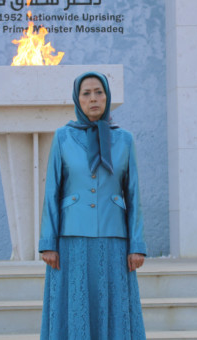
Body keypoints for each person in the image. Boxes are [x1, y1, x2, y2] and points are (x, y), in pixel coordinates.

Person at [39, 71, 147, 339]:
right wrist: (48, 243)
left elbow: (133, 194)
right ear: (77, 99)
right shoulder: (62, 137)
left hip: (114, 240)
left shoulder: (124, 139)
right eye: (86, 93)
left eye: (99, 92)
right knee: (75, 308)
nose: (94, 98)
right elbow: (52, 190)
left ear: (107, 97)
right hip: (71, 241)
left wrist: (137, 245)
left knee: (113, 309)